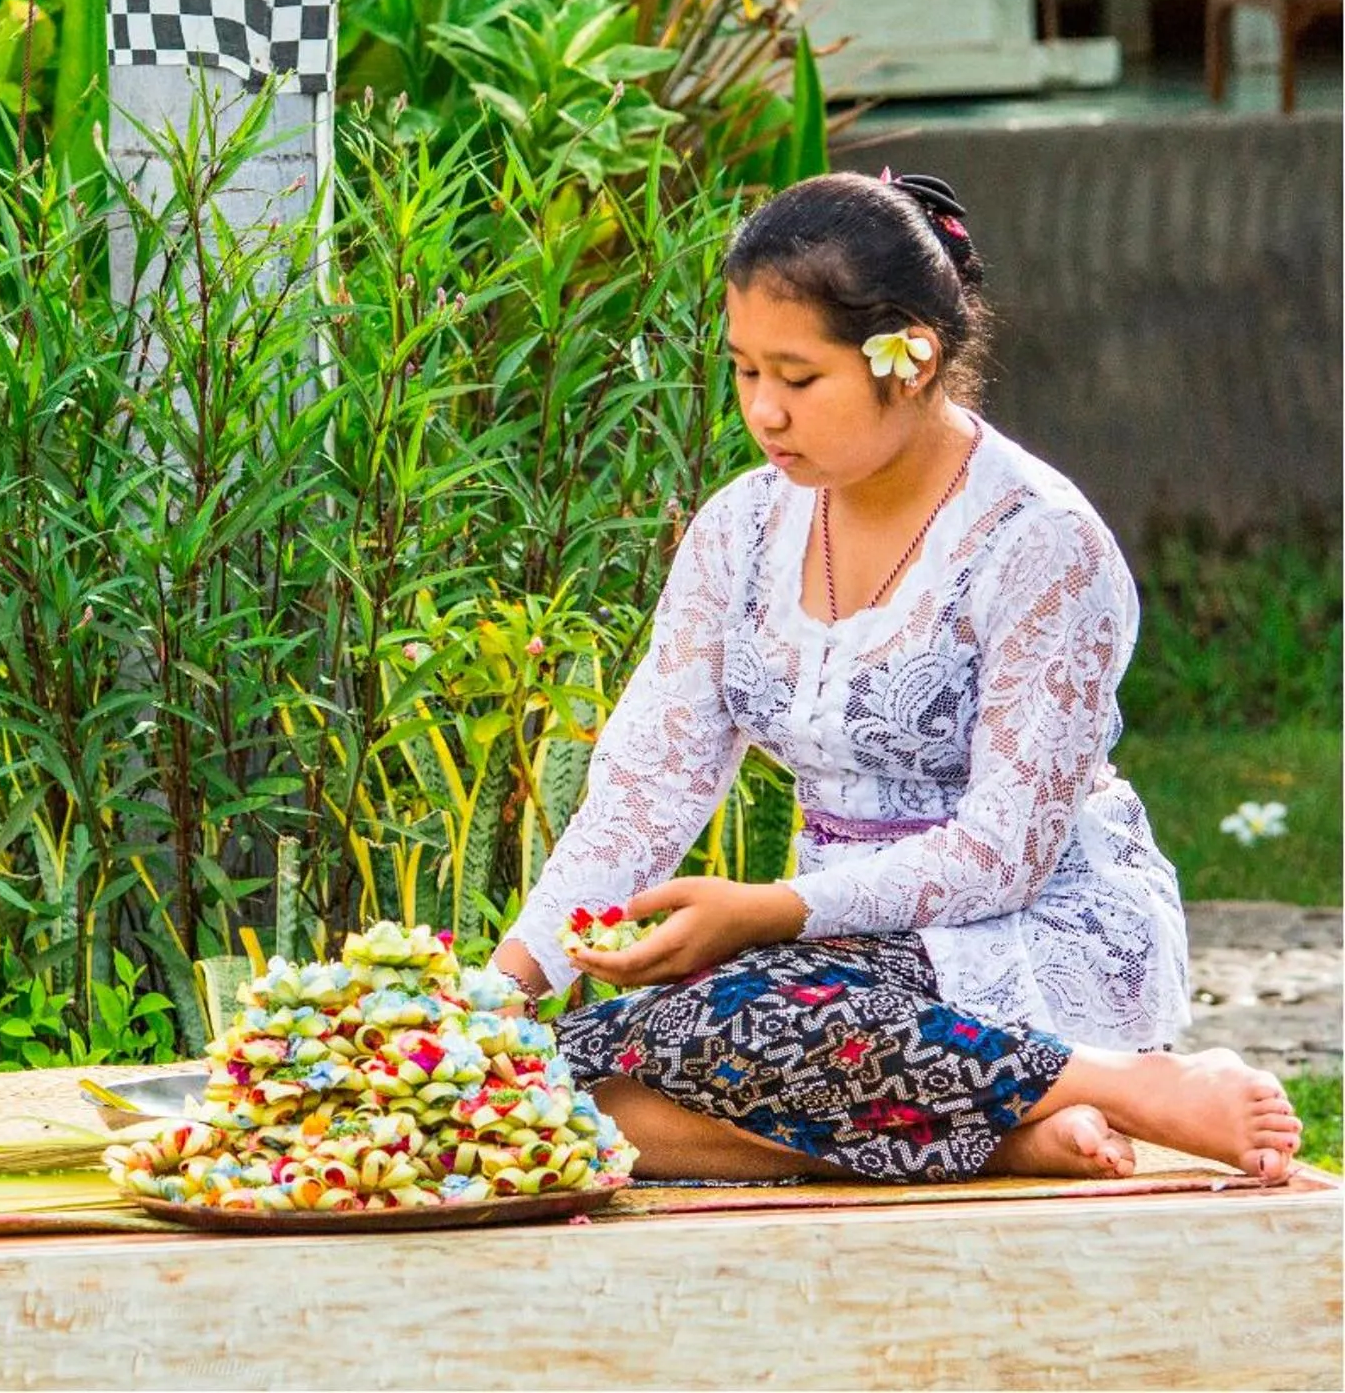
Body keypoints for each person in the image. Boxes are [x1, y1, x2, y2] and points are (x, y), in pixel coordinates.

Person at [491, 171, 1301, 1185]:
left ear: (911, 356)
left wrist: (770, 912)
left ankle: (1129, 1082)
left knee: (734, 1019)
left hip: (1016, 931)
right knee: (532, 1084)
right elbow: (646, 788)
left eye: (798, 377)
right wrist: (507, 987)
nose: (763, 412)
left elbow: (1003, 854)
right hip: (824, 951)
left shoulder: (1038, 543)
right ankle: (1009, 1135)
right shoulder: (740, 529)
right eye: (743, 371)